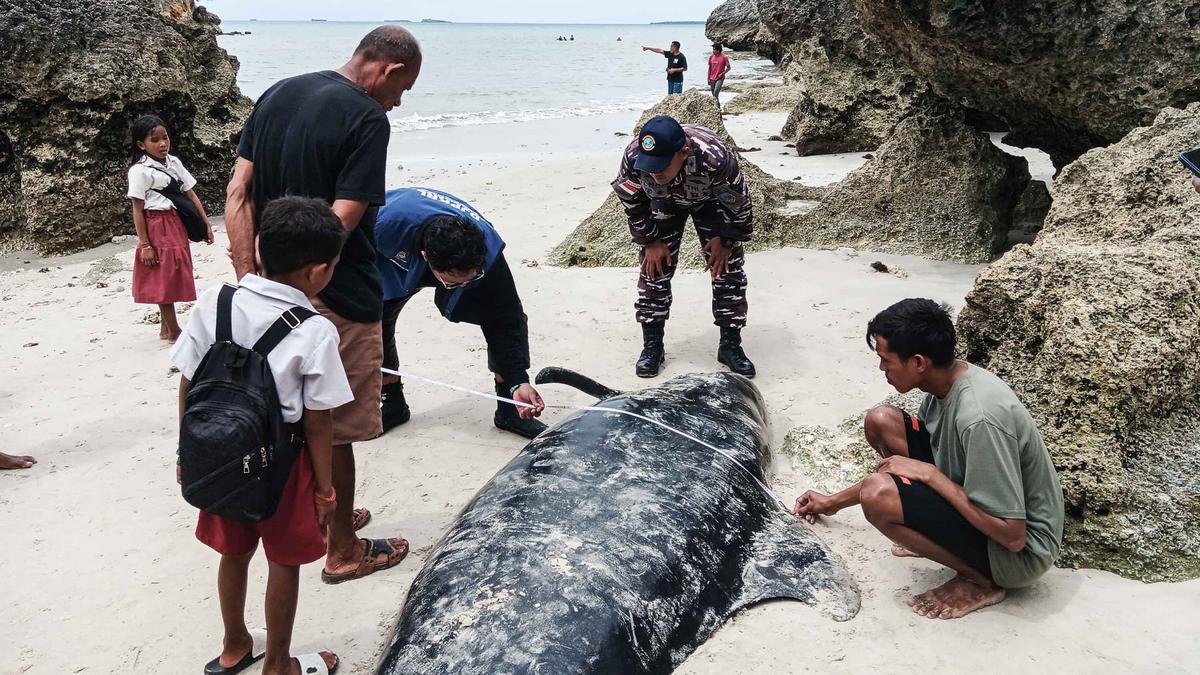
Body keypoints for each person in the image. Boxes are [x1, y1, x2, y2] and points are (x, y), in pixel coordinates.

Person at [225, 25, 421, 585]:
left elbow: (237, 193)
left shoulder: (279, 92)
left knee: (285, 417)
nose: (399, 101)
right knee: (332, 426)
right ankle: (342, 548)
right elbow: (344, 217)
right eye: (402, 88)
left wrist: (251, 280)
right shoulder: (367, 118)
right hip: (335, 292)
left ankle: (321, 514)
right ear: (387, 70)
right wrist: (307, 291)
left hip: (265, 285)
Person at [795, 299, 1065, 620]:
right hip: (979, 506)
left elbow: (1013, 534)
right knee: (881, 421)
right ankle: (935, 535)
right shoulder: (943, 384)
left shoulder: (978, 417)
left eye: (886, 360)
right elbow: (914, 463)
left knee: (878, 495)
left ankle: (979, 580)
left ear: (919, 362)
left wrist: (930, 476)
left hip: (1019, 553)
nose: (882, 369)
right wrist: (832, 503)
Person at [172, 197, 352, 675]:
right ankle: (277, 664)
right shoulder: (315, 331)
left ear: (257, 245)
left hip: (216, 451)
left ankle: (234, 645)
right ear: (317, 272)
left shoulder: (216, 300)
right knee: (284, 562)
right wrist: (326, 488)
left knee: (233, 553)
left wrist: (183, 452)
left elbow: (188, 380)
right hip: (284, 464)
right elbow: (319, 419)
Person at [374, 188, 548, 439]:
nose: (464, 287)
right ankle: (392, 403)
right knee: (372, 321)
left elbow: (505, 319)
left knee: (506, 315)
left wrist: (517, 382)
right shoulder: (382, 225)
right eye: (454, 283)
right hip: (388, 248)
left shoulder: (486, 249)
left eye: (471, 278)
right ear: (425, 260)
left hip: (447, 254)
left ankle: (509, 408)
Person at [611, 115, 756, 379]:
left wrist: (727, 240)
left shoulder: (714, 157)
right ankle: (652, 346)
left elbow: (740, 205)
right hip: (662, 203)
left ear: (684, 152)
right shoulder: (634, 156)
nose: (655, 172)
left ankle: (730, 345)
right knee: (653, 267)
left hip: (710, 202)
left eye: (662, 165)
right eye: (651, 166)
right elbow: (632, 202)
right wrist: (650, 241)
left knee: (727, 267)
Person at [127, 114, 213, 342]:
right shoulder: (139, 171)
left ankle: (166, 328)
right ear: (141, 145)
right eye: (155, 140)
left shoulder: (174, 163)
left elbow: (191, 194)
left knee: (172, 270)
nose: (162, 143)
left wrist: (205, 224)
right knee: (163, 274)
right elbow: (138, 210)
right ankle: (173, 329)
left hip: (175, 222)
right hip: (156, 223)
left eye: (165, 138)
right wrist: (145, 244)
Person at [707, 43, 732, 108]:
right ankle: (718, 107)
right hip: (712, 78)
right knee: (713, 95)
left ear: (718, 50)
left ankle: (716, 107)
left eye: (714, 49)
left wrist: (722, 73)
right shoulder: (711, 57)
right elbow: (709, 68)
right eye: (713, 49)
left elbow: (729, 68)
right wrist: (708, 78)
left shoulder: (724, 57)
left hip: (720, 78)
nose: (713, 51)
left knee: (716, 92)